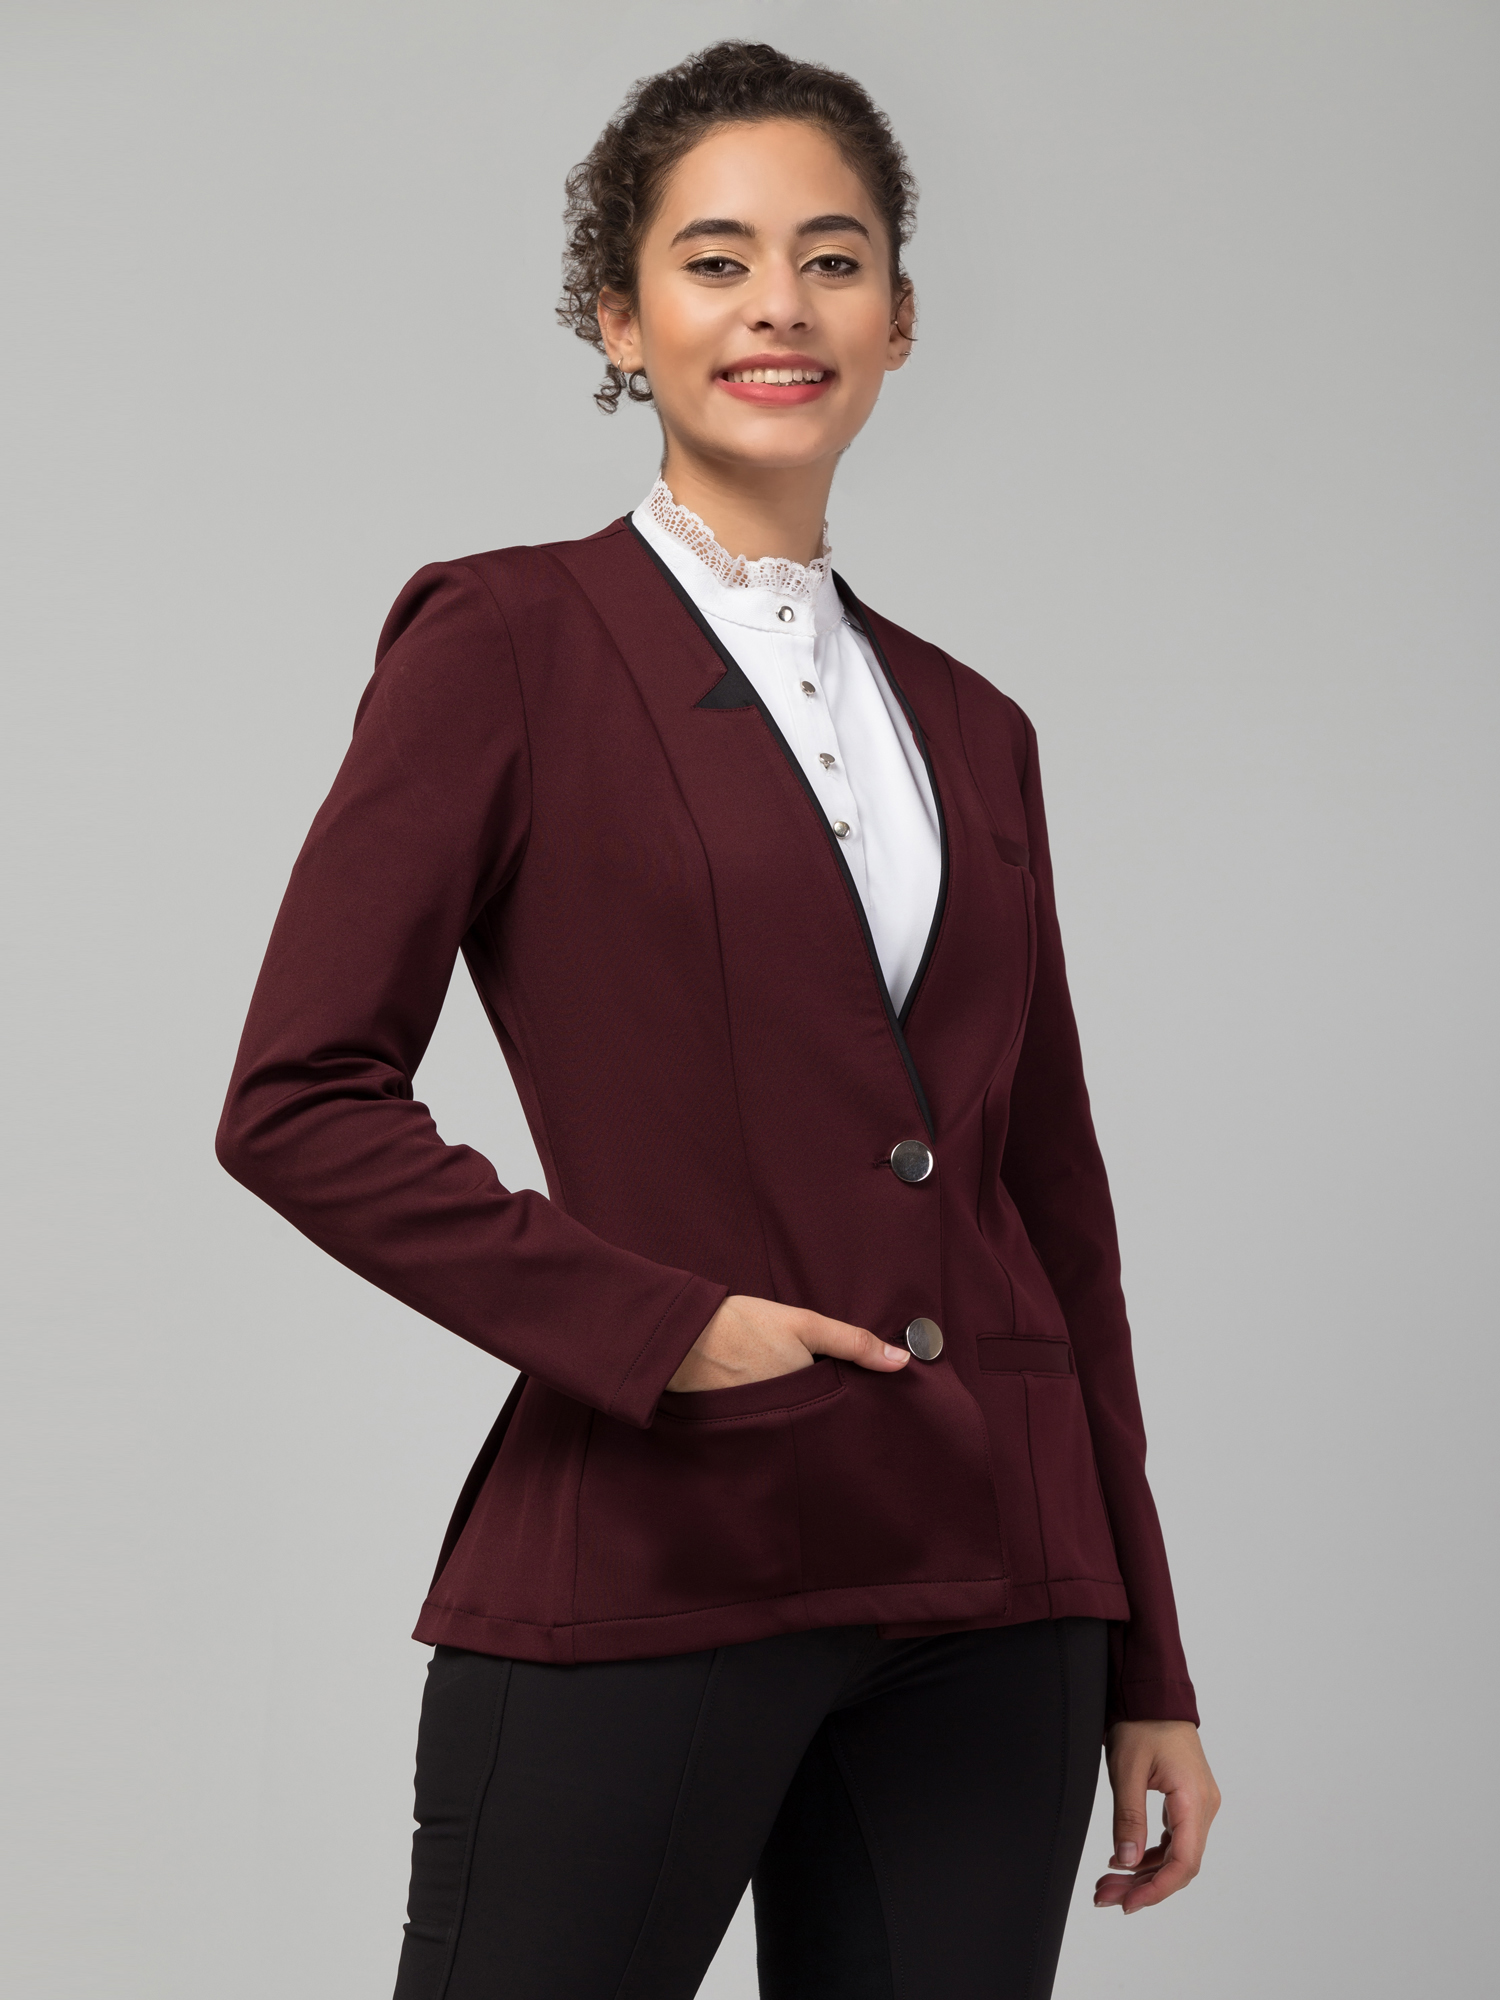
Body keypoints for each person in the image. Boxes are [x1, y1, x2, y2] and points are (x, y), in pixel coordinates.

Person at [217, 39, 1219, 2000]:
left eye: (834, 260)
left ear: (900, 320)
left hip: (999, 1591)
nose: (782, 305)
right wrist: (660, 1326)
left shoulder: (977, 727)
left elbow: (1055, 1211)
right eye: (717, 260)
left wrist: (1147, 1660)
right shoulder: (505, 641)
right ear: (620, 317)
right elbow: (297, 1098)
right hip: (663, 1545)